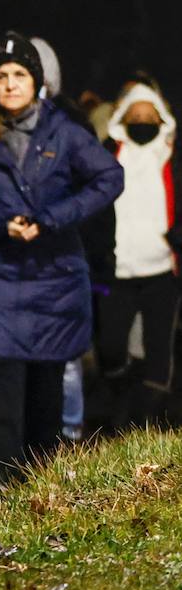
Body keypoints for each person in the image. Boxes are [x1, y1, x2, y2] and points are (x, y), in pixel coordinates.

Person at [0, 32, 122, 498]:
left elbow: (108, 177)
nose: (9, 84)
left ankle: (39, 476)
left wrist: (54, 219)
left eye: (19, 75)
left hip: (52, 276)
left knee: (45, 380)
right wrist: (2, 223)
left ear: (37, 82)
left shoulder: (66, 133)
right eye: (1, 76)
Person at [96, 83, 180, 426]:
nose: (143, 121)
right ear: (123, 118)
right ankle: (121, 393)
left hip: (162, 269)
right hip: (118, 270)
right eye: (136, 115)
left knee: (159, 346)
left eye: (149, 115)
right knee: (111, 347)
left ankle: (146, 419)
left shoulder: (173, 156)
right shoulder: (107, 155)